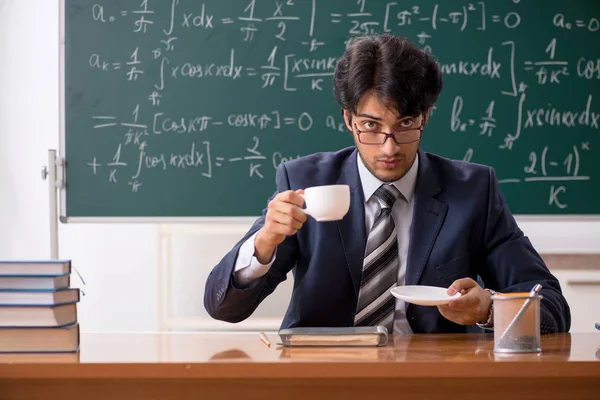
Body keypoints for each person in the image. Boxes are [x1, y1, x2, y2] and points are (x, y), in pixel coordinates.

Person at [204, 34, 570, 334]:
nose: (389, 146)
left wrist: (489, 308)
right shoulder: (304, 183)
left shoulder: (473, 190)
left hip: (436, 381)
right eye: (372, 126)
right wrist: (265, 241)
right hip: (324, 378)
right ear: (349, 120)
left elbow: (551, 305)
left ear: (426, 116)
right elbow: (223, 308)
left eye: (406, 123)